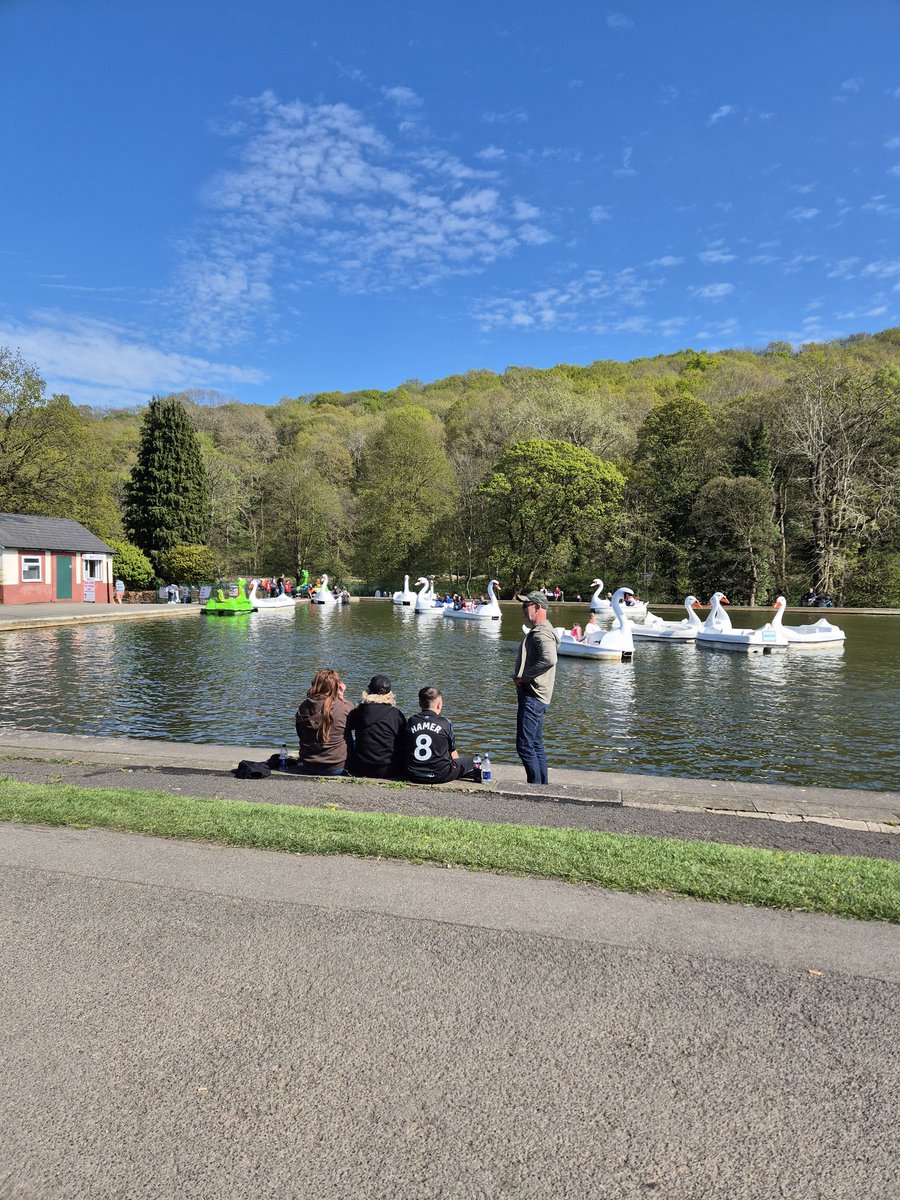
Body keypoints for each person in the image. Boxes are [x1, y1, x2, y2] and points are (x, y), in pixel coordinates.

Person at [513, 590, 558, 785]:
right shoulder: (544, 630)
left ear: (537, 607)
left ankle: (535, 787)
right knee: (536, 744)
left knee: (524, 745)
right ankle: (542, 787)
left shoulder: (541, 633)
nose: (523, 610)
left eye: (526, 606)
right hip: (538, 697)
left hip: (532, 696)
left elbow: (549, 658)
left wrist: (524, 677)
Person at [404, 686, 476, 784]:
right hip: (439, 775)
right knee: (474, 760)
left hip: (412, 774)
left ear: (420, 703)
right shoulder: (445, 723)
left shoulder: (411, 721)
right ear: (439, 705)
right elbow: (452, 751)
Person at [294, 669, 354, 775]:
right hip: (337, 767)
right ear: (336, 686)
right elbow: (355, 726)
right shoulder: (346, 707)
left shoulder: (304, 706)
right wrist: (341, 697)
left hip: (308, 765)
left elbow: (300, 734)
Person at [347, 674, 407, 778]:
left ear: (368, 692)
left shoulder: (359, 711)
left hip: (361, 768)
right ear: (389, 694)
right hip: (389, 769)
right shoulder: (396, 714)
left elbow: (347, 727)